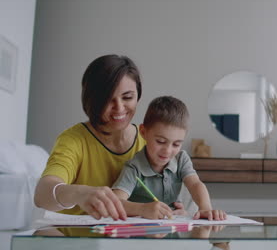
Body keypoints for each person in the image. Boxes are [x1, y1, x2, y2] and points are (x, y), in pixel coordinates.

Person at [33, 54, 186, 221]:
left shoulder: (152, 140)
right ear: (93, 100)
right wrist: (80, 193)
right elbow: (42, 195)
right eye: (108, 99)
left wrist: (172, 209)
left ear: (138, 96)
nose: (119, 108)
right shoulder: (74, 140)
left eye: (128, 97)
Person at [112, 96, 227, 221]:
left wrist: (205, 208)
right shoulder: (134, 167)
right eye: (160, 141)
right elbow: (116, 201)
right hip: (141, 233)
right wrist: (143, 209)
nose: (167, 151)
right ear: (143, 132)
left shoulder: (181, 158)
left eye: (176, 144)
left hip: (173, 229)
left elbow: (195, 184)